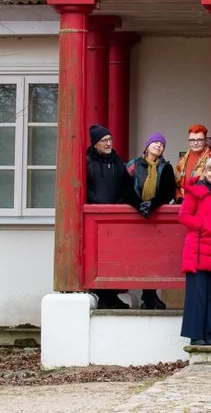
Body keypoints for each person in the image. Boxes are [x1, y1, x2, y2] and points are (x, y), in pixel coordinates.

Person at [179, 156, 211, 346]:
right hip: (199, 249)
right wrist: (203, 225)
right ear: (204, 172)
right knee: (198, 294)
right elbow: (183, 216)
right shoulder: (196, 192)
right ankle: (196, 335)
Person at [125, 132, 177, 310]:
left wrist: (151, 205)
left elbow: (167, 192)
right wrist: (138, 205)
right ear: (147, 146)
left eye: (161, 144)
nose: (158, 146)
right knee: (138, 257)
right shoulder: (132, 165)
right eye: (155, 142)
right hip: (136, 216)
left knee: (155, 258)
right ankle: (145, 295)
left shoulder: (166, 168)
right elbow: (125, 188)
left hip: (155, 218)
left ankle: (150, 294)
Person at [86, 124, 129, 309]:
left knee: (114, 257)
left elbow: (125, 185)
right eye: (104, 140)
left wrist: (119, 203)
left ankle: (112, 296)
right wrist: (97, 202)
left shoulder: (118, 161)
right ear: (95, 143)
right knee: (99, 258)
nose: (108, 143)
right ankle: (103, 296)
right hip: (96, 218)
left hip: (115, 218)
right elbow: (84, 188)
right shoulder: (88, 162)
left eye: (110, 139)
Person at [174, 124, 211, 202]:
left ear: (205, 141)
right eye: (192, 140)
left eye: (199, 140)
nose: (195, 143)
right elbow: (175, 185)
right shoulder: (182, 161)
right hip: (183, 203)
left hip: (202, 203)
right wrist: (179, 197)